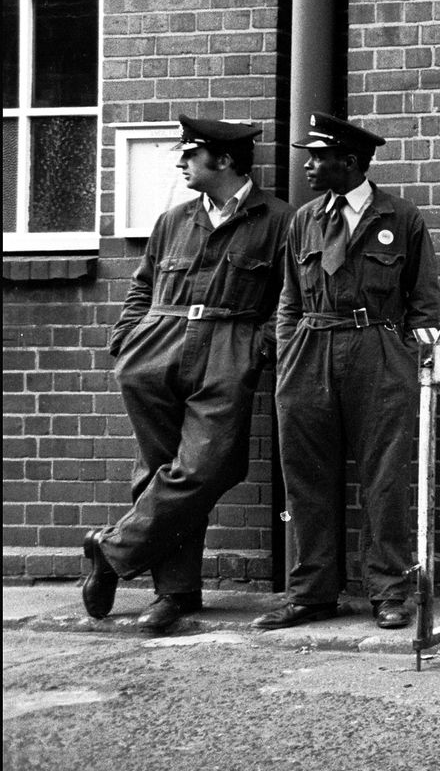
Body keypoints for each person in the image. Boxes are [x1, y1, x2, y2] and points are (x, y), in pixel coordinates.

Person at [82, 116, 292, 632]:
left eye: (189, 155)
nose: (181, 163)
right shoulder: (173, 220)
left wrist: (255, 348)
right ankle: (174, 594)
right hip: (157, 347)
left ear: (223, 161)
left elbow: (291, 300)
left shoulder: (282, 222)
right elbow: (142, 284)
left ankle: (111, 550)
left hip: (228, 347)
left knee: (209, 467)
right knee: (159, 470)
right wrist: (127, 338)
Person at [252, 113, 440, 631]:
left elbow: (423, 305)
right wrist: (290, 349)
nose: (308, 166)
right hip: (309, 350)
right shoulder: (305, 219)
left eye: (317, 157)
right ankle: (312, 594)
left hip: (376, 352)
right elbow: (289, 297)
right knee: (306, 476)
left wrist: (407, 357)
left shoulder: (400, 217)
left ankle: (389, 593)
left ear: (350, 162)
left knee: (384, 478)